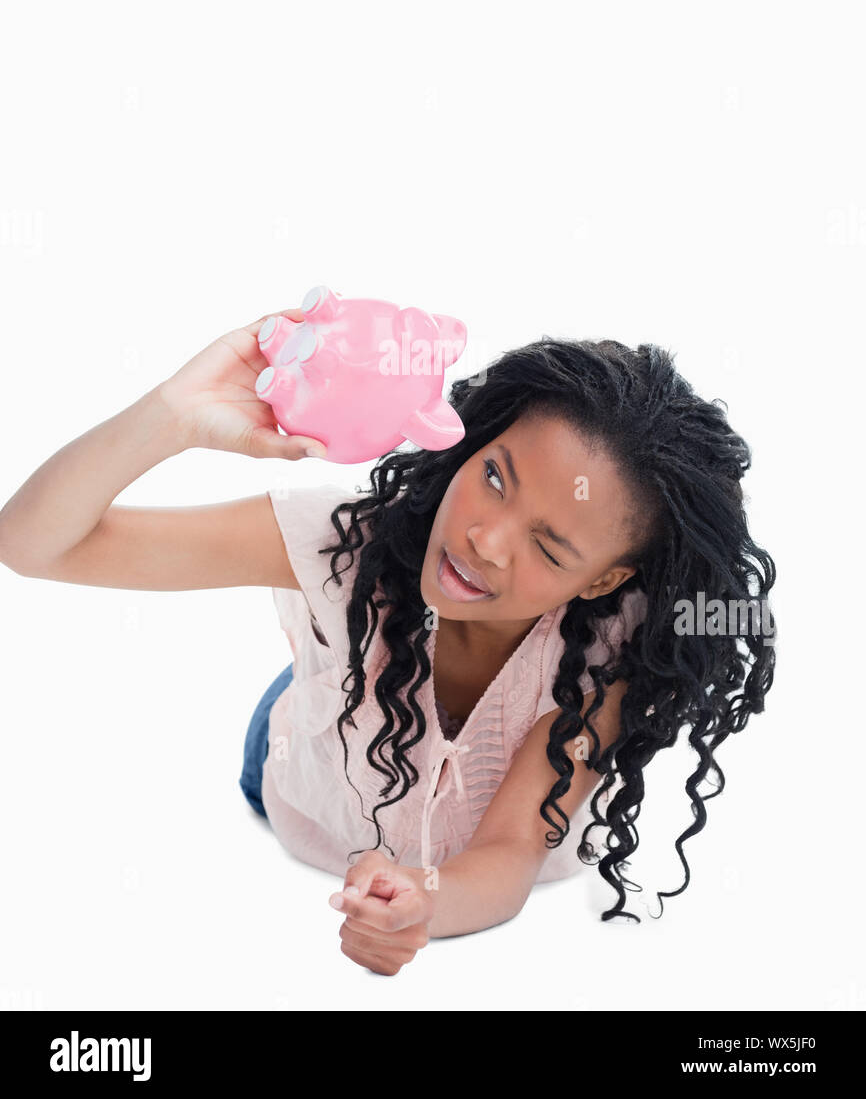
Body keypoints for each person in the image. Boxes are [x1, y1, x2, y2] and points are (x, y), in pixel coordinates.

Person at [0, 309, 776, 977]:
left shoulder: (616, 652)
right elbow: (33, 545)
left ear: (605, 582)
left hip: (443, 787)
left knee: (366, 655)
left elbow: (507, 852)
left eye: (548, 546)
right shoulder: (345, 541)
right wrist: (174, 415)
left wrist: (421, 903)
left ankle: (346, 657)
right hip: (311, 773)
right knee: (332, 657)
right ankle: (332, 660)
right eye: (496, 477)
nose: (483, 540)